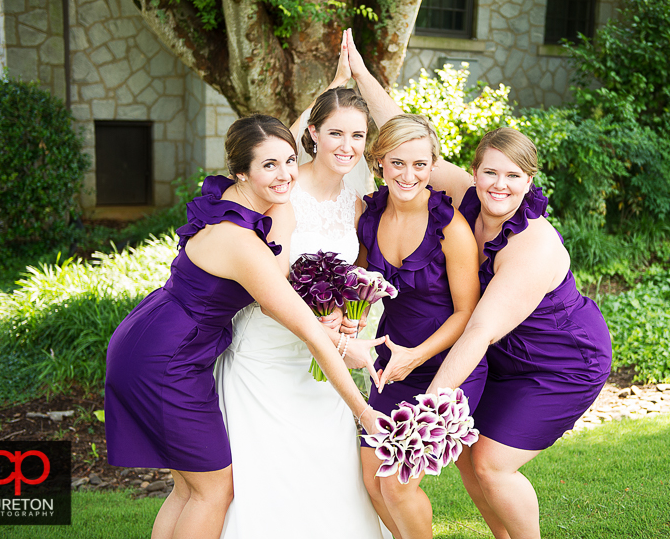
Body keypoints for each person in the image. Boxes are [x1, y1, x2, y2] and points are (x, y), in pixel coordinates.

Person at [104, 113, 382, 539]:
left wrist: (340, 82)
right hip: (164, 358)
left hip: (162, 340)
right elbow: (307, 329)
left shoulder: (235, 202)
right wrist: (363, 411)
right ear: (240, 172)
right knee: (213, 490)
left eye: (290, 160)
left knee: (189, 487)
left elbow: (262, 140)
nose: (286, 173)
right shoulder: (239, 241)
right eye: (269, 166)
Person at [214, 32, 390, 538]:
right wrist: (329, 86)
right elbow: (266, 151)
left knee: (331, 471)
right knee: (270, 475)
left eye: (358, 136)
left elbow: (352, 272)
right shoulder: (281, 191)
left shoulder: (358, 204)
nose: (348, 147)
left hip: (321, 352)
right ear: (312, 134)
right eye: (335, 133)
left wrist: (349, 317)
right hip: (268, 349)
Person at [425, 129, 613, 539]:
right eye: (490, 172)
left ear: (529, 182)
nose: (499, 184)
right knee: (465, 451)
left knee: (491, 463)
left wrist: (430, 403)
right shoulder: (467, 198)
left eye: (513, 176)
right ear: (473, 173)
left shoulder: (533, 245)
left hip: (563, 361)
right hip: (508, 355)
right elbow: (411, 143)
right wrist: (359, 72)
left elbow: (479, 331)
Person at [356, 112, 486, 539]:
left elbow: (467, 313)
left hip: (447, 365)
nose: (408, 174)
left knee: (396, 482)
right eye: (397, 163)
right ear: (379, 162)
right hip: (392, 365)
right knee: (372, 479)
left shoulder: (451, 228)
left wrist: (417, 356)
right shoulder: (369, 219)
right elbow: (359, 285)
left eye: (419, 164)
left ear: (433, 166)